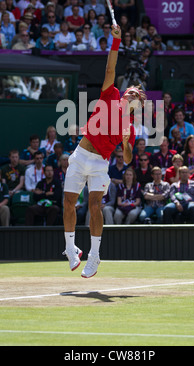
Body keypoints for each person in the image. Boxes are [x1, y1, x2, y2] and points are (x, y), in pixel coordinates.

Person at [62, 24, 146, 278]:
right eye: (129, 90)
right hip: (80, 154)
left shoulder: (130, 128)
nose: (129, 93)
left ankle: (95, 255)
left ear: (137, 105)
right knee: (68, 203)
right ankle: (70, 248)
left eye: (134, 94)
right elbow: (110, 68)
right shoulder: (111, 94)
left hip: (100, 164)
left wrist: (126, 144)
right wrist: (116, 41)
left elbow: (129, 159)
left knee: (95, 205)